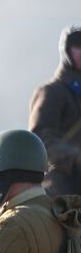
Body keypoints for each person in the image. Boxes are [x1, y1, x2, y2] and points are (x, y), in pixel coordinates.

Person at [28, 24, 81, 194]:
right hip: (61, 177)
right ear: (66, 51)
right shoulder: (51, 92)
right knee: (62, 212)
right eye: (78, 46)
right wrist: (76, 156)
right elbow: (41, 140)